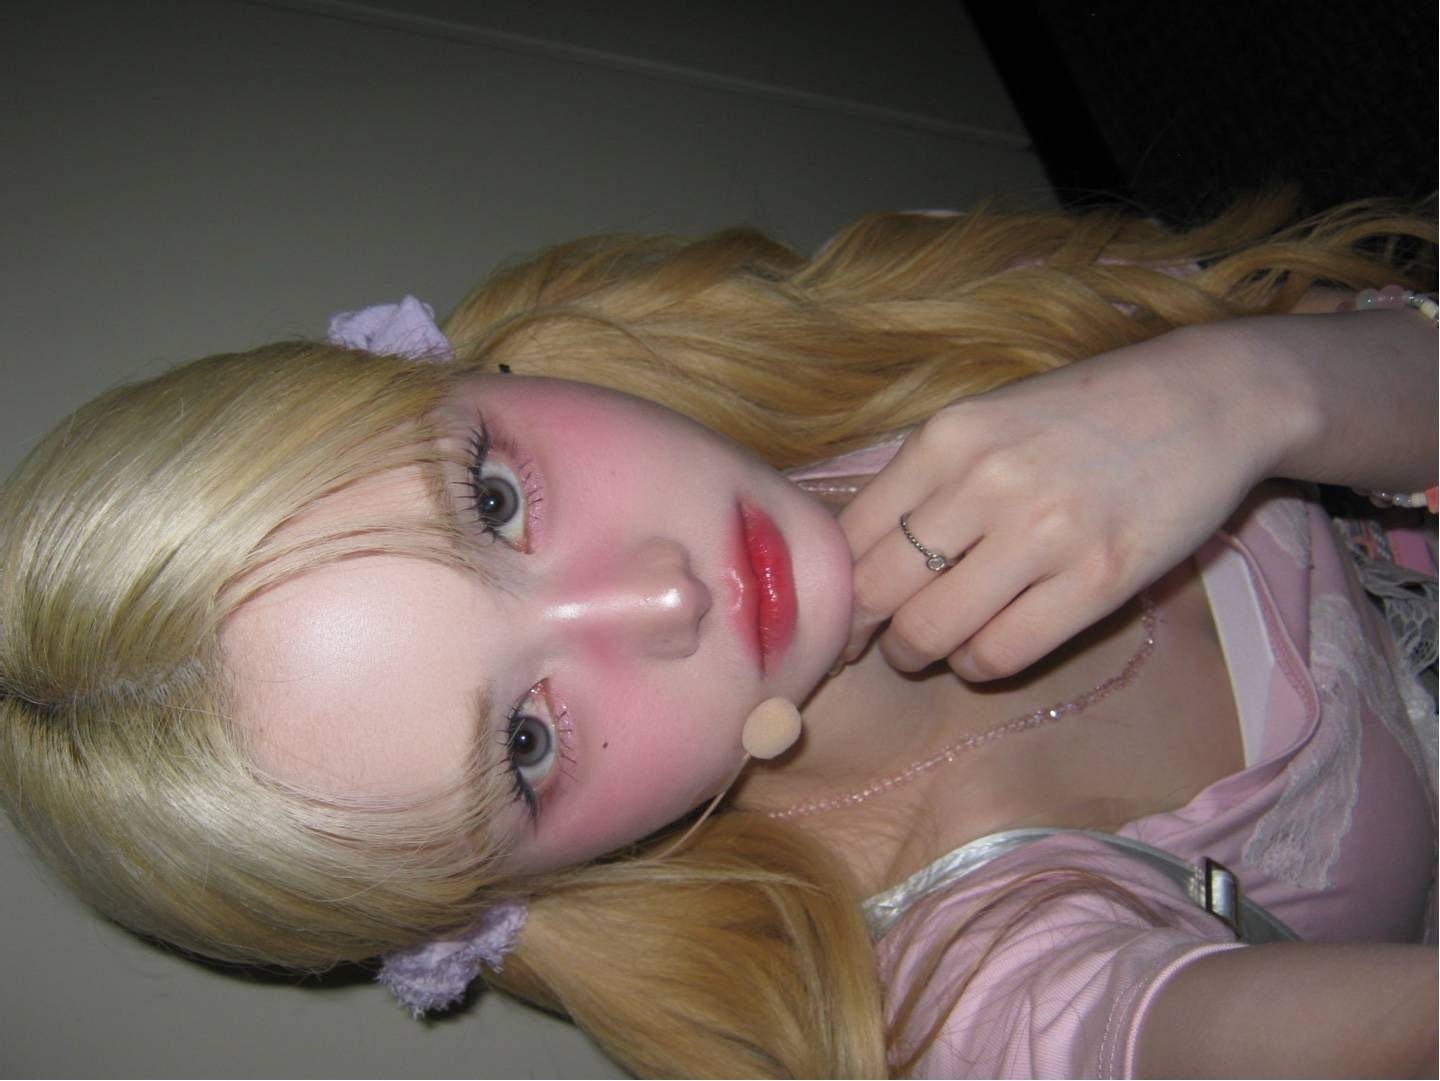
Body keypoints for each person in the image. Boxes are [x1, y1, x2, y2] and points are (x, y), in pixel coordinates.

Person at [0, 198, 1434, 1078]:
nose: (663, 599)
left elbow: (1321, 312)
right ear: (519, 889)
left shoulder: (863, 336)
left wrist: (1249, 386)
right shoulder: (958, 993)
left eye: (492, 500)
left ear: (453, 375)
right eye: (526, 741)